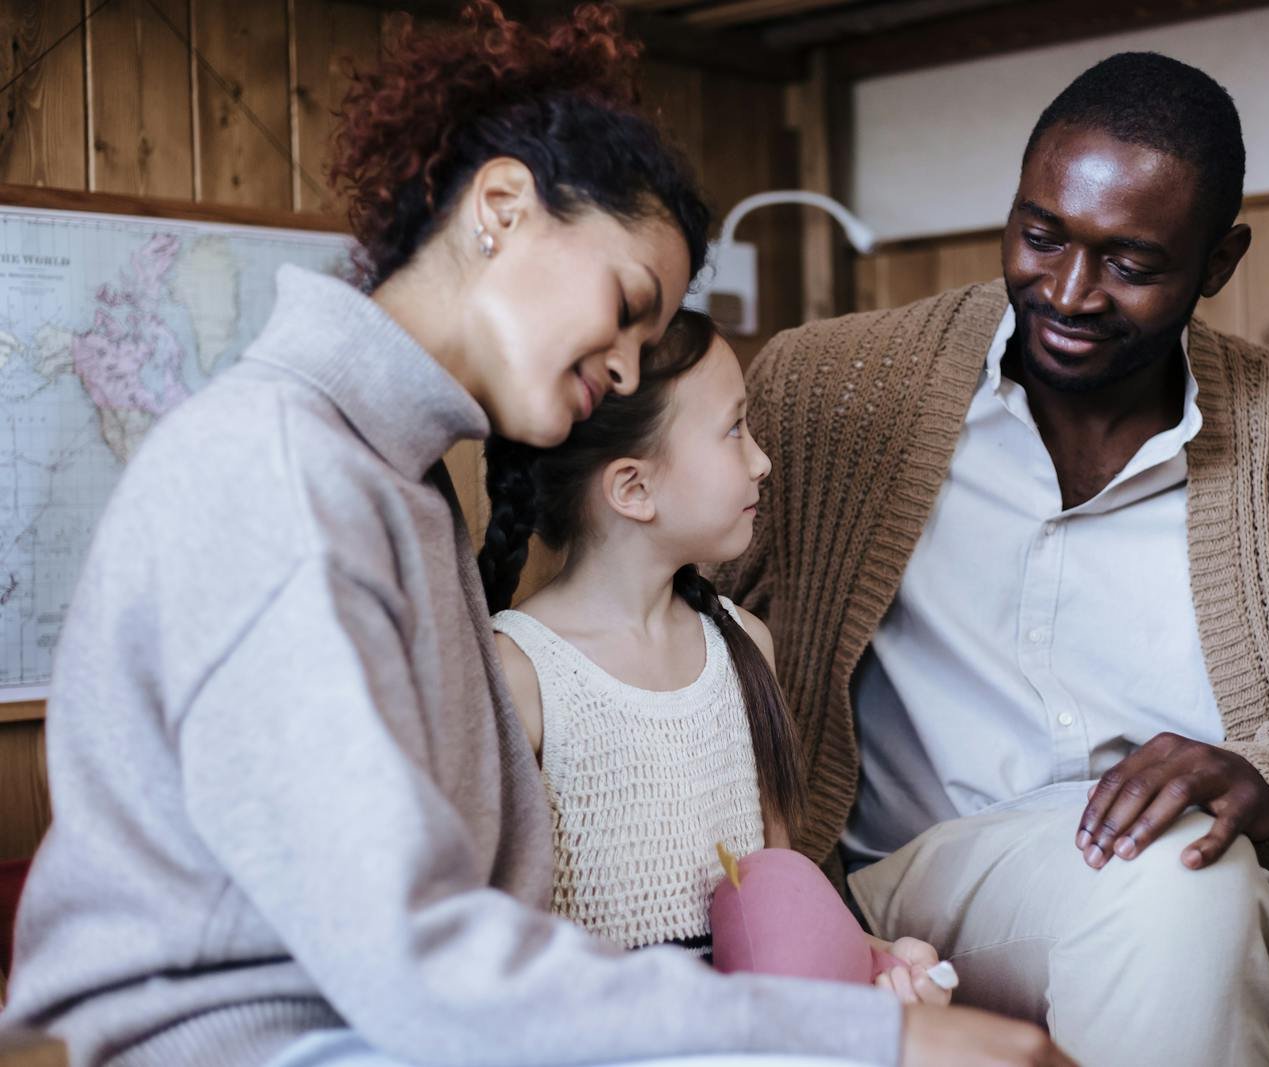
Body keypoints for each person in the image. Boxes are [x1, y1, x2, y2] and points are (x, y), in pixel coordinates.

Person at [0, 5, 1071, 1066]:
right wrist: (872, 1031)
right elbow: (411, 960)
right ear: (501, 208)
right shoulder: (279, 475)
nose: (620, 366)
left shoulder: (397, 480)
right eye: (627, 303)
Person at [717, 51, 1269, 1066]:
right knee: (1174, 866)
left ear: (1217, 264)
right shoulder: (833, 384)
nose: (1069, 291)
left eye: (1130, 264)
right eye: (1040, 235)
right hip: (928, 906)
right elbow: (664, 607)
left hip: (1221, 903)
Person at [480, 310, 950, 1007]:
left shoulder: (741, 644)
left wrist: (879, 964)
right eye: (735, 429)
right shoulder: (521, 677)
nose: (761, 459)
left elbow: (783, 899)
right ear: (633, 488)